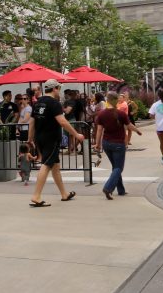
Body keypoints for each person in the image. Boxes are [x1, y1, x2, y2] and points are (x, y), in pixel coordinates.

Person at [28, 79, 85, 207]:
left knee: (55, 166)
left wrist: (30, 139)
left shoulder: (38, 102)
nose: (59, 91)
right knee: (46, 164)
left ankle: (64, 194)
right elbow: (63, 122)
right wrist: (76, 134)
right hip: (51, 138)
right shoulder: (54, 103)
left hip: (40, 138)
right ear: (54, 89)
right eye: (58, 88)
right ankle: (36, 196)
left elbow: (32, 122)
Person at [93, 92, 143, 200]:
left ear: (107, 100)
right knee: (118, 168)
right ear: (116, 100)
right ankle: (108, 187)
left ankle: (121, 190)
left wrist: (97, 144)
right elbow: (129, 125)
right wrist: (137, 131)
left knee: (115, 167)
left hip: (106, 143)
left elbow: (99, 131)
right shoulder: (121, 114)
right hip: (118, 144)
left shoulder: (101, 114)